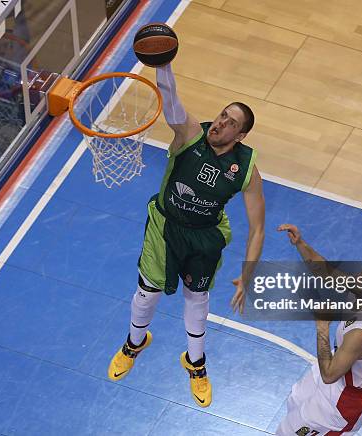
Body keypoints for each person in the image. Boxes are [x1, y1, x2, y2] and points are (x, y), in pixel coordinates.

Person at [107, 63, 265, 408]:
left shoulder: (247, 169)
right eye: (222, 115)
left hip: (204, 236)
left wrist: (248, 274)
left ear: (240, 137)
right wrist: (162, 64)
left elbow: (258, 228)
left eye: (231, 123)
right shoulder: (190, 134)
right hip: (165, 226)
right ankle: (135, 342)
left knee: (197, 299)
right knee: (147, 294)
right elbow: (171, 99)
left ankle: (195, 363)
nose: (221, 123)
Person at [276, 224, 362, 435]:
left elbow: (329, 374)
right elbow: (325, 271)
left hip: (341, 403)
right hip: (338, 367)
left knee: (286, 432)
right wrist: (300, 244)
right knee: (295, 398)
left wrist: (322, 327)